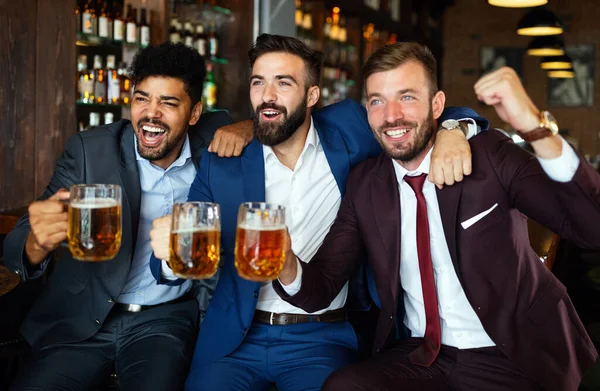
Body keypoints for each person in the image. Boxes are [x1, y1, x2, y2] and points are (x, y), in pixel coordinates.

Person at [148, 34, 489, 391]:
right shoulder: (224, 162)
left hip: (322, 337)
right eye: (258, 82)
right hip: (235, 340)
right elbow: (168, 265)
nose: (268, 95)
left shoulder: (350, 129)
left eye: (284, 83)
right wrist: (173, 252)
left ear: (312, 96)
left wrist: (453, 131)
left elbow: (419, 116)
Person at [272, 42, 600, 391]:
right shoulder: (366, 183)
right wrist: (286, 265)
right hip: (422, 357)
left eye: (407, 97)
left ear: (438, 105)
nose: (391, 115)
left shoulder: (489, 156)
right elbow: (321, 286)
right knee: (344, 386)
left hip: (514, 352)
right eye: (377, 101)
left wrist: (534, 127)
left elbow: (590, 227)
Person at [5, 42, 249, 391]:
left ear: (194, 114)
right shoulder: (91, 150)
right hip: (81, 320)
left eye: (168, 102)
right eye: (141, 98)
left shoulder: (214, 137)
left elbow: (276, 119)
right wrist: (35, 242)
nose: (151, 113)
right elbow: (17, 246)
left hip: (165, 321)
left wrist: (249, 127)